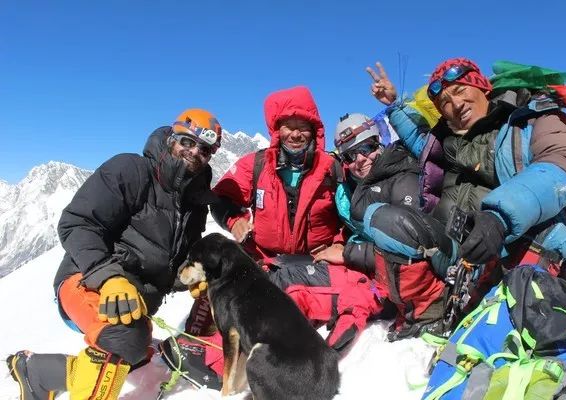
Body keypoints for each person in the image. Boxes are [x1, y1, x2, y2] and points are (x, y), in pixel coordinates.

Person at [7, 109, 223, 399]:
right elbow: (78, 223)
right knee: (123, 338)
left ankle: (36, 373)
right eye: (187, 141)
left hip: (137, 302)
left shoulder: (194, 203)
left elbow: (167, 263)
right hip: (87, 280)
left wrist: (191, 277)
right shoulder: (130, 171)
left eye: (205, 149)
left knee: (131, 353)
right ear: (172, 137)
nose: (194, 151)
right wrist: (109, 279)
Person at [361, 58, 566, 311]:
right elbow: (417, 136)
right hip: (461, 252)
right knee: (384, 218)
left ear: (483, 87)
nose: (456, 104)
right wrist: (395, 105)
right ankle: (433, 310)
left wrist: (499, 217)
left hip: (516, 240)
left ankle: (517, 315)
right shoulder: (445, 142)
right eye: (445, 103)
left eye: (460, 91)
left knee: (546, 234)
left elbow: (564, 160)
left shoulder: (531, 118)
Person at [209, 86, 382, 351]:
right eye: (289, 126)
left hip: (316, 260)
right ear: (277, 129)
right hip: (262, 258)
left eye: (304, 126)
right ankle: (214, 347)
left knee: (359, 287)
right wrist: (234, 220)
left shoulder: (333, 169)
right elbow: (222, 197)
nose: (296, 134)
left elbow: (355, 214)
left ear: (315, 131)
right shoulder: (254, 165)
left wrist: (342, 245)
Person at [314, 113, 453, 340]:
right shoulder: (361, 185)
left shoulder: (402, 180)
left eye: (367, 148)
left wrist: (348, 253)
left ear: (380, 142)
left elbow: (409, 244)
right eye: (351, 155)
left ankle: (429, 315)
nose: (360, 159)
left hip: (421, 282)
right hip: (378, 274)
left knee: (386, 220)